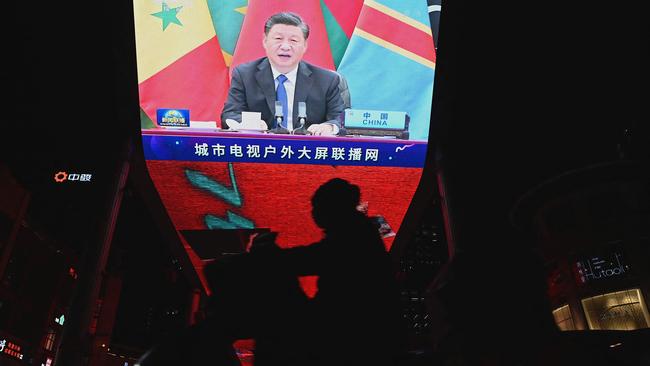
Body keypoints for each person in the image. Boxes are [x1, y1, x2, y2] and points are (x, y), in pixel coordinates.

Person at [250, 178, 406, 365]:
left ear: (332, 208)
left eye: (317, 207)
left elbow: (308, 259)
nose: (314, 213)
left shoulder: (352, 235)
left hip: (349, 337)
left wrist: (270, 254)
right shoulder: (361, 230)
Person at [221, 12, 344, 136]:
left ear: (305, 45)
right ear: (265, 41)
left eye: (293, 40)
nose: (285, 46)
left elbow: (341, 119)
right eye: (278, 39)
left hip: (307, 150)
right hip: (262, 149)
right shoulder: (245, 75)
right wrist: (249, 124)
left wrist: (329, 127)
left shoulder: (327, 80)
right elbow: (230, 115)